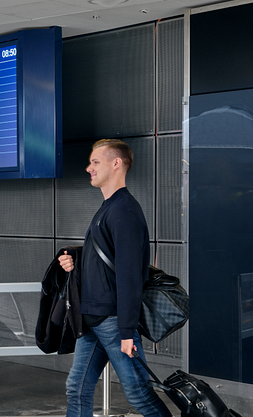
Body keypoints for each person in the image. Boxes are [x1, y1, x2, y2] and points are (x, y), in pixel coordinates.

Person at [58, 140, 172, 417]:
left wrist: (126, 332)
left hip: (113, 323)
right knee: (77, 387)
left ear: (116, 163)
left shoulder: (125, 210)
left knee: (138, 394)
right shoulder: (109, 208)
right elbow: (106, 254)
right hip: (94, 318)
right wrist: (74, 256)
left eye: (95, 162)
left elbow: (131, 275)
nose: (89, 168)